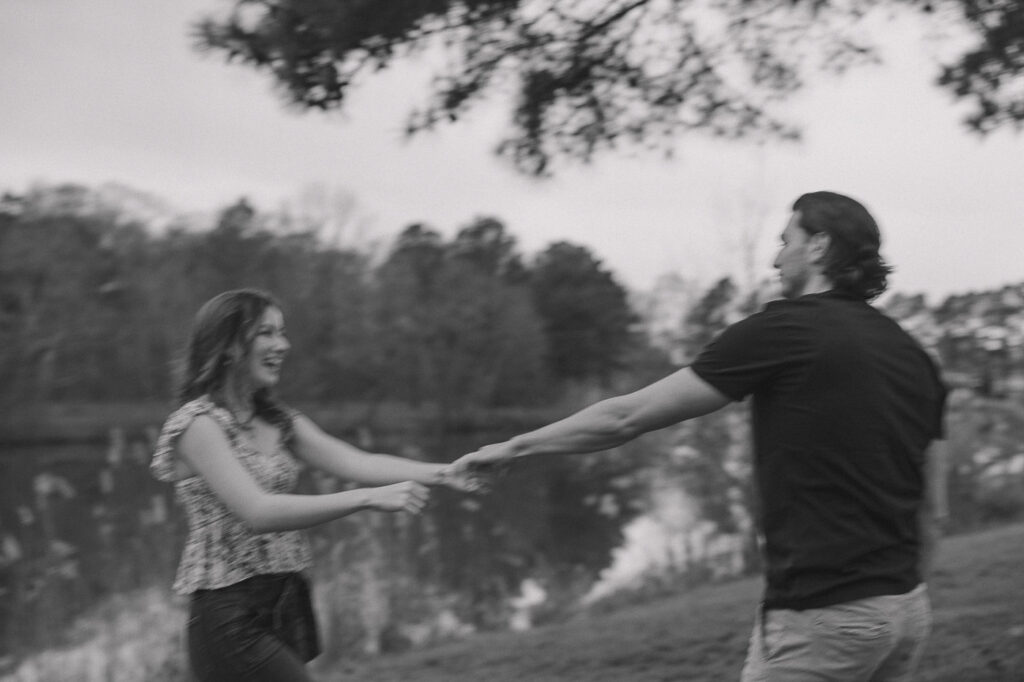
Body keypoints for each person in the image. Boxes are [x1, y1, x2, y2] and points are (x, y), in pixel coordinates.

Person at [455, 191, 948, 681]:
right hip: (905, 611)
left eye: (785, 241)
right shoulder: (914, 356)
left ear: (819, 246)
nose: (776, 258)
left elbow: (627, 417)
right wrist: (898, 598)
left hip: (827, 619)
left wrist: (517, 446)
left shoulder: (786, 329)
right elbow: (935, 509)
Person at [151, 288, 477, 682]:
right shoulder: (196, 424)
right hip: (227, 610)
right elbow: (258, 511)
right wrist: (367, 499)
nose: (282, 345)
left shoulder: (277, 420)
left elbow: (358, 460)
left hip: (286, 596)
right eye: (266, 333)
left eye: (282, 333)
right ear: (228, 345)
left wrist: (448, 471)